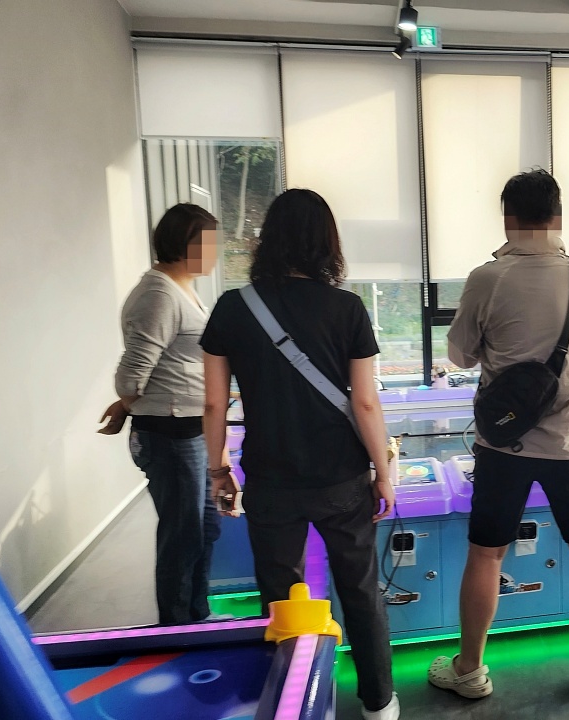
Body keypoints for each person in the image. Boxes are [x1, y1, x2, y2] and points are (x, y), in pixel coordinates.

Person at [427, 169, 569, 698]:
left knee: (487, 553)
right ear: (557, 216)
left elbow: (460, 355)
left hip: (504, 443)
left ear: (508, 219)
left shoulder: (487, 277)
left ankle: (470, 670)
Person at [199, 189, 399, 720]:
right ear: (327, 243)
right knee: (360, 589)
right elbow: (365, 402)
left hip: (270, 479)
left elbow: (214, 402)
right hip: (342, 479)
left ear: (268, 240)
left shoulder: (233, 307)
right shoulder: (347, 308)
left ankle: (289, 701)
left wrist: (218, 470)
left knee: (283, 596)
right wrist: (382, 472)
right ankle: (379, 703)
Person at [98, 203, 222, 626]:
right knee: (183, 536)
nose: (215, 252)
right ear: (184, 244)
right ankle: (176, 626)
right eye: (208, 243)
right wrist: (126, 402)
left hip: (191, 430)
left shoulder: (181, 289)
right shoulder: (160, 294)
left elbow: (177, 363)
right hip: (171, 435)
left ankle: (197, 615)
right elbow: (131, 375)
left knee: (205, 529)